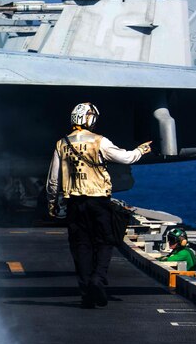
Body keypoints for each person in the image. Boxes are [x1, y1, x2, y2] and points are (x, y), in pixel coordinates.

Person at [46, 102, 151, 308]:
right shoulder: (99, 142)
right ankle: (97, 280)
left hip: (74, 204)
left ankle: (87, 293)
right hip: (98, 202)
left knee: (80, 247)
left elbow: (53, 180)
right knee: (105, 241)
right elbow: (126, 157)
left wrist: (51, 204)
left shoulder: (62, 144)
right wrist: (141, 150)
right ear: (90, 119)